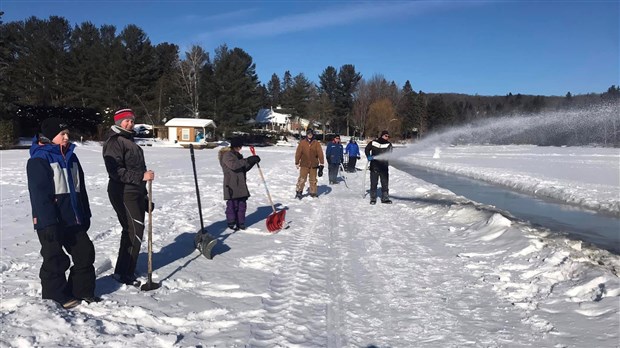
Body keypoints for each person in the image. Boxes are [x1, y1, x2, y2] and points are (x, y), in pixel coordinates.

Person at [27, 118, 97, 309]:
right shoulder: (39, 160)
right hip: (51, 221)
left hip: (73, 219)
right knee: (55, 258)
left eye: (67, 133)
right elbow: (39, 196)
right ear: (50, 137)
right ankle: (54, 297)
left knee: (85, 252)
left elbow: (80, 190)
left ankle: (81, 291)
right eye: (62, 134)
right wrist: (48, 223)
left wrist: (85, 214)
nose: (67, 137)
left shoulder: (72, 157)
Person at [102, 109, 155, 286]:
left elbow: (139, 169)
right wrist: (141, 177)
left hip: (135, 191)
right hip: (122, 191)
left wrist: (145, 196)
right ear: (118, 122)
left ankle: (124, 271)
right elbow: (116, 171)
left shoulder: (130, 142)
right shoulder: (115, 141)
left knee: (131, 231)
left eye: (132, 121)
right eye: (126, 121)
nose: (129, 123)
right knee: (134, 230)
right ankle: (125, 273)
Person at [218, 138, 261, 230]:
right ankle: (231, 222)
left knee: (242, 204)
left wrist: (252, 162)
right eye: (239, 146)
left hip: (240, 184)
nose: (240, 148)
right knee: (232, 205)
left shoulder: (238, 155)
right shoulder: (227, 155)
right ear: (234, 146)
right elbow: (234, 166)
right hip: (231, 184)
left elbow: (243, 168)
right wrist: (247, 160)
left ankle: (240, 222)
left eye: (240, 146)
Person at [365, 130, 393, 204]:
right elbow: (367, 149)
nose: (387, 137)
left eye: (388, 136)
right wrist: (368, 156)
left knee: (385, 183)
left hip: (384, 167)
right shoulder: (374, 142)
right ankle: (373, 198)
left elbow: (390, 153)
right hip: (374, 166)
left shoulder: (388, 144)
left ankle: (385, 198)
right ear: (382, 135)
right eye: (386, 136)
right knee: (374, 183)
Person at [294, 129, 325, 199]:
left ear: (313, 135)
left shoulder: (316, 143)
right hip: (304, 164)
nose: (310, 135)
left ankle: (313, 192)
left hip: (314, 165)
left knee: (313, 179)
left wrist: (322, 163)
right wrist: (297, 162)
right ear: (306, 134)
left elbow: (320, 153)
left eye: (311, 134)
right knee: (302, 179)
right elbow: (298, 153)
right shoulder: (302, 143)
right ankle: (299, 191)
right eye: (308, 134)